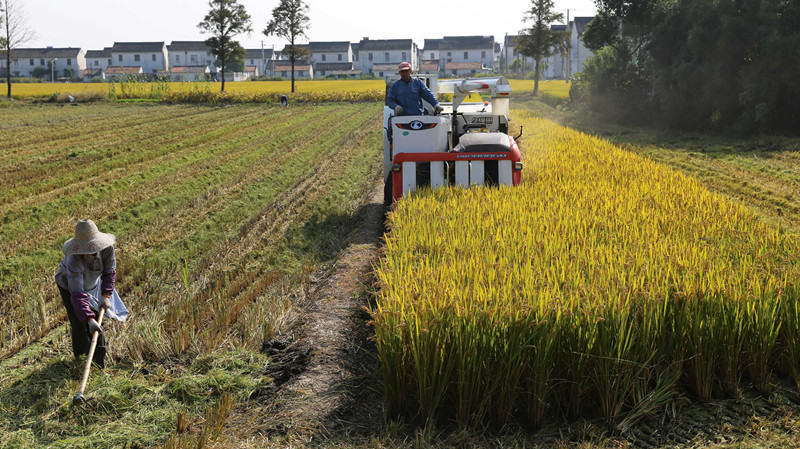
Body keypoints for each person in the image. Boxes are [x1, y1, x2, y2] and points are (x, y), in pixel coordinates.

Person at [55, 219, 127, 368]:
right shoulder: (74, 260)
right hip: (70, 287)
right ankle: (81, 361)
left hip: (94, 281)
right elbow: (77, 293)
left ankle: (98, 364)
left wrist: (105, 295)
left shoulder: (107, 249)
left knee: (97, 325)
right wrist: (89, 319)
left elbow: (109, 272)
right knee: (79, 322)